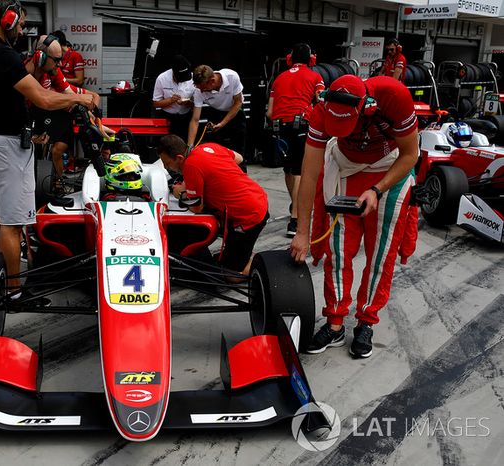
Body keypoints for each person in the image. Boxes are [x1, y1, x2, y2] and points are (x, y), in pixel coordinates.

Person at [0, 0, 94, 293]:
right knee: (12, 224)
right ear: (7, 19)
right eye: (21, 24)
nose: (22, 30)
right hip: (10, 146)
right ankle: (14, 289)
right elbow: (44, 99)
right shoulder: (5, 55)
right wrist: (81, 98)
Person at [290, 74, 419, 359]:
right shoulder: (321, 110)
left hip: (390, 173)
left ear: (365, 106)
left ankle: (366, 322)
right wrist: (302, 231)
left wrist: (377, 189)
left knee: (381, 254)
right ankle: (335, 323)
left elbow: (411, 154)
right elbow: (309, 174)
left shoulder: (393, 96)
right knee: (338, 252)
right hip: (346, 169)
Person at [157, 134, 269, 277]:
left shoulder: (191, 165)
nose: (167, 168)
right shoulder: (208, 147)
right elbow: (239, 158)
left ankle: (260, 264)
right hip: (257, 198)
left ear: (179, 158)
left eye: (167, 163)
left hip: (247, 217)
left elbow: (196, 208)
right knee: (221, 261)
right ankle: (242, 254)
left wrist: (181, 193)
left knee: (230, 276)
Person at [24, 34, 101, 184]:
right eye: (57, 60)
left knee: (55, 151)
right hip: (19, 123)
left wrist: (93, 119)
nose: (60, 65)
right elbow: (44, 100)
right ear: (40, 57)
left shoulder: (53, 71)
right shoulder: (22, 74)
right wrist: (78, 99)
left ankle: (59, 184)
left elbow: (70, 95)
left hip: (44, 117)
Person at [267, 43, 325, 237]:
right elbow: (321, 101)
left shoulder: (279, 78)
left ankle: (295, 203)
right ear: (311, 59)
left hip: (279, 129)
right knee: (301, 172)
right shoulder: (316, 77)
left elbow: (270, 111)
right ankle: (295, 219)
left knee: (288, 170)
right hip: (301, 127)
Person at [187, 65, 246, 158]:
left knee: (237, 150)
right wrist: (190, 146)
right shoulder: (198, 90)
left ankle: (240, 170)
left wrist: (223, 123)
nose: (202, 91)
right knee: (217, 149)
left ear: (212, 81)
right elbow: (195, 119)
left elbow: (238, 102)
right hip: (216, 112)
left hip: (235, 111)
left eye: (204, 88)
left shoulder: (232, 77)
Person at [152, 55, 195, 140]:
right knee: (167, 144)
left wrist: (189, 103)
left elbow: (197, 104)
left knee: (184, 142)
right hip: (167, 117)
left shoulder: (193, 78)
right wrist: (170, 100)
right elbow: (156, 103)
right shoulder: (162, 78)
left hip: (186, 117)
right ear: (173, 73)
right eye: (180, 78)